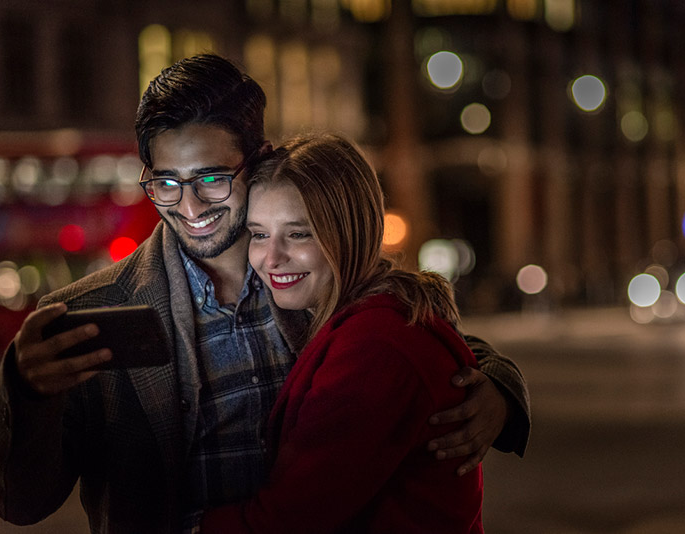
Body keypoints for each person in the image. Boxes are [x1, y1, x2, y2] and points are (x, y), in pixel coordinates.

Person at [0, 54, 529, 533]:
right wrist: (26, 393)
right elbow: (18, 504)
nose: (189, 207)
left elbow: (401, 328)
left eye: (211, 179)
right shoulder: (94, 311)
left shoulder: (308, 268)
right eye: (166, 183)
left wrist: (499, 385)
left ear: (259, 159)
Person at [201, 133, 486, 533]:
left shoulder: (376, 346)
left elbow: (291, 519)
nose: (271, 258)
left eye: (298, 234)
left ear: (350, 231)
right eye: (260, 234)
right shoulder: (368, 319)